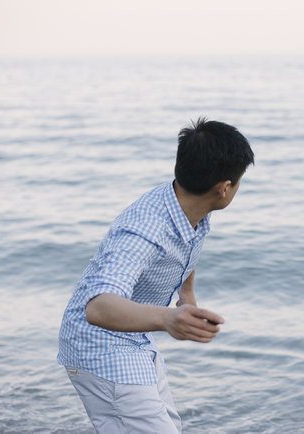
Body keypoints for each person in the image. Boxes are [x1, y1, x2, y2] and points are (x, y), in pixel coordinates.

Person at [57, 117, 254, 433]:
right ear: (224, 188)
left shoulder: (187, 206)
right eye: (239, 181)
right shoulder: (144, 230)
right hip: (98, 346)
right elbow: (98, 307)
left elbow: (186, 249)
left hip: (135, 336)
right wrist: (167, 319)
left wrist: (185, 298)